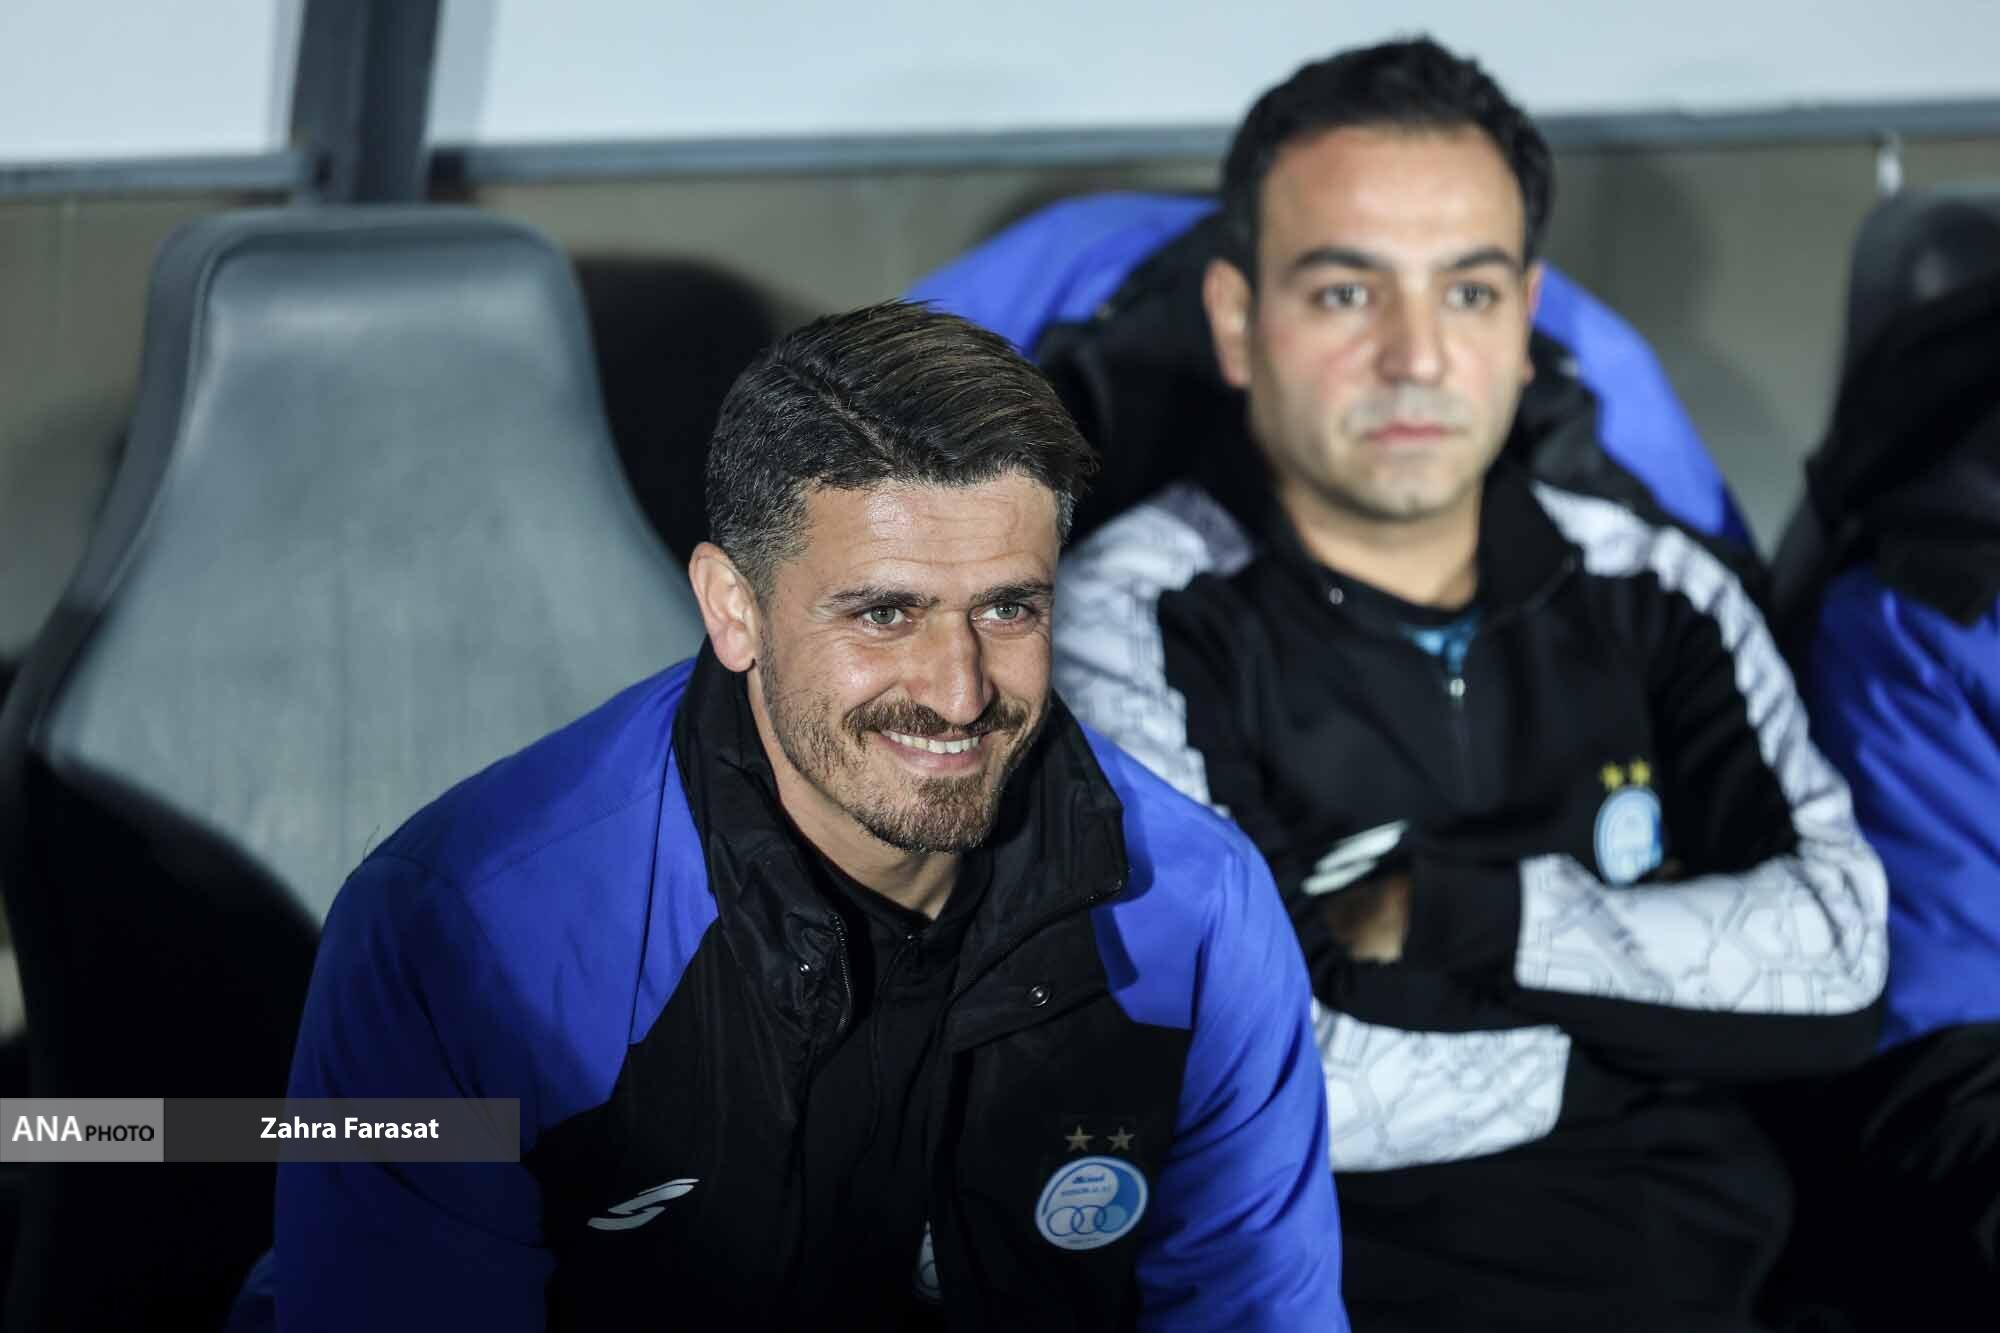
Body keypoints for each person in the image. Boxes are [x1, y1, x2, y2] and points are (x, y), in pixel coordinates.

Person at [260, 302, 1344, 1331]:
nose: (959, 690)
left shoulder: (1200, 910)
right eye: (885, 612)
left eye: (1008, 607)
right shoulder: (455, 931)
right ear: (732, 608)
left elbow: (1255, 1309)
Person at [1052, 38, 1887, 1331]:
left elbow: (1835, 961)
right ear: (1236, 319)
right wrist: (1658, 1042)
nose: (1416, 357)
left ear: (1523, 317)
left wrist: (1451, 914)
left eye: (1470, 292)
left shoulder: (1654, 581)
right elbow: (1250, 1074)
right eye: (1345, 293)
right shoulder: (1124, 618)